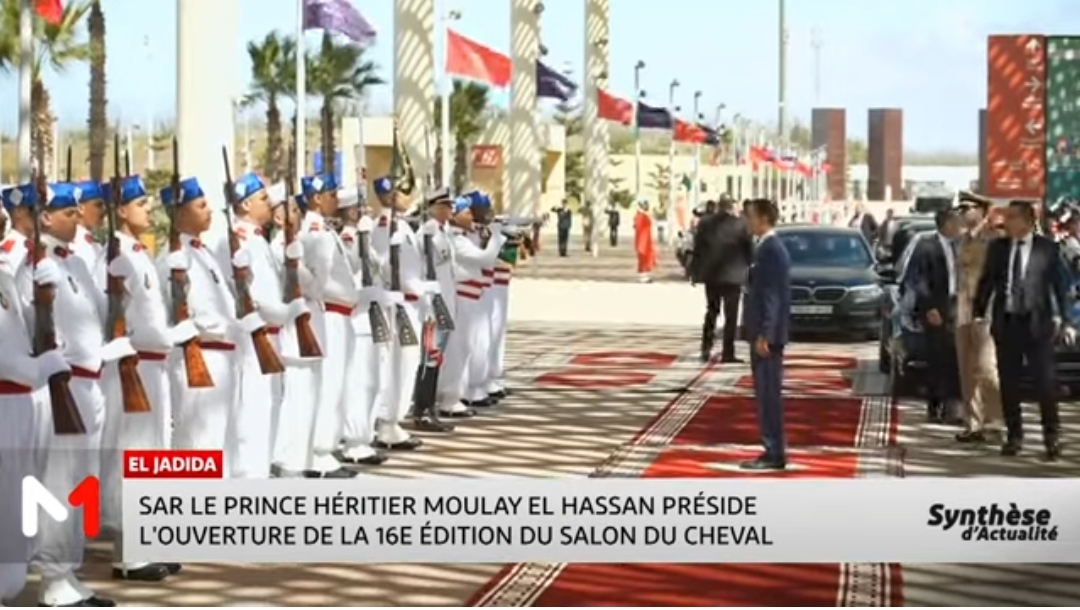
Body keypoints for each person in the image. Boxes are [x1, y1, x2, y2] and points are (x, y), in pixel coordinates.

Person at [27, 182, 135, 607]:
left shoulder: (77, 264)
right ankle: (52, 578)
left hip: (92, 384)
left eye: (76, 210)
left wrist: (118, 291)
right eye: (65, 211)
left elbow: (95, 319)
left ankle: (67, 571)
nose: (76, 217)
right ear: (45, 218)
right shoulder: (38, 265)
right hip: (65, 386)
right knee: (58, 481)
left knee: (80, 481)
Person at [97, 175, 189, 581]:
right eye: (141, 204)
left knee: (153, 454)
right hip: (133, 366)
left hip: (154, 367)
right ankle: (128, 553)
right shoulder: (116, 257)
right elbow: (112, 319)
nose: (149, 210)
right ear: (121, 210)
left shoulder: (138, 253)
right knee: (131, 455)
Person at [0, 185, 69, 607]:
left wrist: (44, 297)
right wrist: (41, 368)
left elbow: (22, 333)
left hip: (20, 399)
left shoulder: (6, 274)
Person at [158, 177, 250, 475]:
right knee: (199, 440)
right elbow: (190, 313)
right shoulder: (174, 259)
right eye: (200, 205)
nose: (209, 210)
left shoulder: (203, 252)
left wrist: (243, 277)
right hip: (200, 354)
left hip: (223, 354)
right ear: (180, 213)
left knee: (223, 436)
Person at [974, 200, 1072, 460]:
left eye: (1013, 217)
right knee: (1009, 384)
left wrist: (1065, 318)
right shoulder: (998, 248)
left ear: (1028, 221)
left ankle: (1052, 437)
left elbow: (1061, 286)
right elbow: (987, 283)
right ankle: (1014, 436)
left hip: (1038, 326)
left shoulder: (1048, 249)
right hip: (1007, 324)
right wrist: (977, 312)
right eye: (1006, 217)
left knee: (1045, 384)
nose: (1006, 222)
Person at [215, 172, 290, 478]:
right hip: (253, 335)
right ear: (245, 204)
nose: (269, 204)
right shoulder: (236, 240)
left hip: (269, 334)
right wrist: (285, 312)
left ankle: (260, 472)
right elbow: (249, 296)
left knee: (270, 405)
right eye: (262, 199)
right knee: (254, 410)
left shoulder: (258, 239)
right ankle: (249, 477)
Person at [298, 174, 368, 476]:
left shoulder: (325, 229)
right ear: (316, 198)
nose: (336, 199)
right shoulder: (314, 231)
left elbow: (348, 269)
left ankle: (328, 447)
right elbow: (318, 282)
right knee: (330, 386)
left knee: (340, 383)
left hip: (341, 315)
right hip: (329, 314)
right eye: (330, 194)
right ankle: (319, 452)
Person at [267, 191, 336, 477]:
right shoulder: (276, 247)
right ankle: (289, 461)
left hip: (310, 324)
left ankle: (304, 459)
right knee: (297, 399)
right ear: (278, 216)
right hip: (294, 331)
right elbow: (311, 287)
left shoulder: (295, 244)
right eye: (292, 209)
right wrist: (297, 266)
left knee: (310, 399)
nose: (298, 214)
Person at [370, 176, 425, 451]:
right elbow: (390, 268)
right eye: (402, 193)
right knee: (398, 364)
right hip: (400, 305)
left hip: (410, 303)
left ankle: (395, 420)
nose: (408, 196)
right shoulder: (385, 227)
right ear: (390, 196)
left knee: (408, 363)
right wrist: (422, 288)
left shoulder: (401, 224)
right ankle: (388, 422)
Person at [441, 195, 506, 412]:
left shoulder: (465, 236)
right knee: (459, 349)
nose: (471, 216)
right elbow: (485, 259)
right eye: (466, 212)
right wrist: (497, 235)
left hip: (473, 296)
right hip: (462, 298)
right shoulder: (456, 240)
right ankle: (451, 396)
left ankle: (463, 391)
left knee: (470, 346)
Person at [741, 198, 790, 471]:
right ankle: (771, 447)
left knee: (769, 394)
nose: (748, 222)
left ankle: (774, 451)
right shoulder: (764, 248)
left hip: (766, 336)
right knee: (764, 393)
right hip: (761, 331)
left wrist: (766, 334)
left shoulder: (771, 250)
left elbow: (773, 297)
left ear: (762, 218)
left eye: (750, 216)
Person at [953, 199, 1003, 443]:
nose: (962, 213)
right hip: (963, 311)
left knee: (986, 368)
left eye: (966, 208)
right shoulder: (963, 240)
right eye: (960, 209)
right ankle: (973, 425)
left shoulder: (993, 239)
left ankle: (995, 422)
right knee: (966, 372)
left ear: (981, 211)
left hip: (986, 312)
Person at [911, 208, 963, 423]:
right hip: (937, 306)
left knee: (957, 357)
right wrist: (929, 307)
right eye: (956, 222)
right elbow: (919, 280)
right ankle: (935, 403)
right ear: (946, 224)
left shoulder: (962, 246)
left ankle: (954, 405)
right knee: (937, 357)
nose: (959, 226)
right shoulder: (926, 246)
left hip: (958, 306)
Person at [690, 195, 753, 363]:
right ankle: (728, 352)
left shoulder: (705, 223)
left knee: (711, 311)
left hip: (712, 275)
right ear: (731, 207)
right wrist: (749, 269)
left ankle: (706, 348)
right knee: (730, 316)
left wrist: (695, 272)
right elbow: (749, 249)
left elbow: (698, 249)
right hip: (733, 277)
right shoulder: (741, 224)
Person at [72, 180, 105, 274]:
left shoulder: (95, 244)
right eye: (98, 205)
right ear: (80, 208)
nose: (104, 210)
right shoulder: (73, 245)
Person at [633, 198, 657, 283]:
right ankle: (643, 277)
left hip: (647, 240)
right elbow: (638, 229)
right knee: (643, 259)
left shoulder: (643, 215)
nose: (646, 207)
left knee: (647, 259)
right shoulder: (640, 216)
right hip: (643, 241)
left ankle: (646, 275)